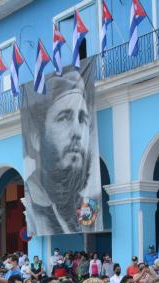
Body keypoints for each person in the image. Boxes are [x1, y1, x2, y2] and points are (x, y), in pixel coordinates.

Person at [20, 71, 101, 235]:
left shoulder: (81, 201)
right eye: (64, 118)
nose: (77, 132)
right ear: (36, 137)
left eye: (83, 119)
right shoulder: (36, 205)